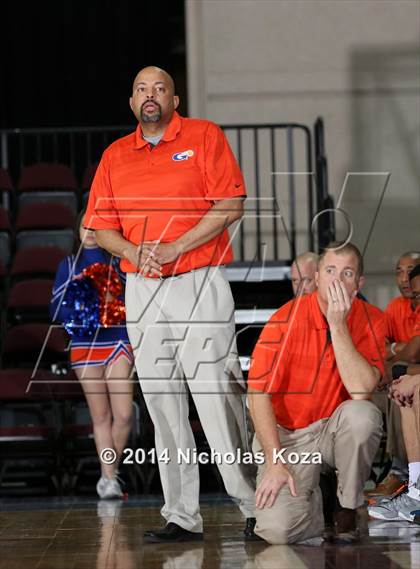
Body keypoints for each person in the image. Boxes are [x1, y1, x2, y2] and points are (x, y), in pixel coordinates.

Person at [84, 66, 256, 542]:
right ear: (132, 102)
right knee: (161, 401)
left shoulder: (204, 136)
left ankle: (253, 504)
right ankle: (181, 513)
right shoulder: (115, 155)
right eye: (141, 89)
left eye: (160, 88)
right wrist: (130, 251)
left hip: (198, 280)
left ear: (174, 100)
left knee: (217, 396)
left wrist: (178, 245)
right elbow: (100, 226)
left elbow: (231, 204)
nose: (150, 95)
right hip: (143, 286)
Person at [247, 241, 386, 544]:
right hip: (290, 436)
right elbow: (257, 393)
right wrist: (274, 462)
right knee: (278, 531)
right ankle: (318, 501)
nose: (337, 279)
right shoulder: (285, 318)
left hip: (335, 431)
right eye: (331, 271)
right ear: (318, 277)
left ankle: (346, 508)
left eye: (347, 273)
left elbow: (361, 391)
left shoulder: (374, 318)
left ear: (358, 283)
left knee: (364, 416)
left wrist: (338, 326)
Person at [50, 211, 134, 499]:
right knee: (101, 416)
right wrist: (81, 311)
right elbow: (55, 308)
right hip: (85, 345)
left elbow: (131, 299)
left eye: (95, 225)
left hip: (118, 339)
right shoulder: (68, 265)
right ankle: (108, 478)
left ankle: (110, 473)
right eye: (85, 225)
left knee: (123, 415)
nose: (89, 230)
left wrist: (110, 304)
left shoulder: (117, 262)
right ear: (78, 229)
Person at [368, 264, 420, 522]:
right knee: (404, 387)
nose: (417, 300)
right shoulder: (397, 307)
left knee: (409, 383)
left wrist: (407, 373)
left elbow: (412, 353)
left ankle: (407, 478)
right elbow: (380, 347)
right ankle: (414, 488)